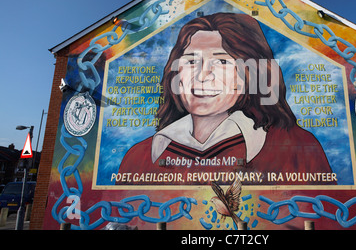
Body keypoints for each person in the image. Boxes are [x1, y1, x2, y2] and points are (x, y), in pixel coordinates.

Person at [117, 12, 334, 185]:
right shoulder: (141, 157)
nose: (202, 76)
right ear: (176, 74)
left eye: (221, 63)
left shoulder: (296, 147)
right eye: (191, 61)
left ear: (251, 74)